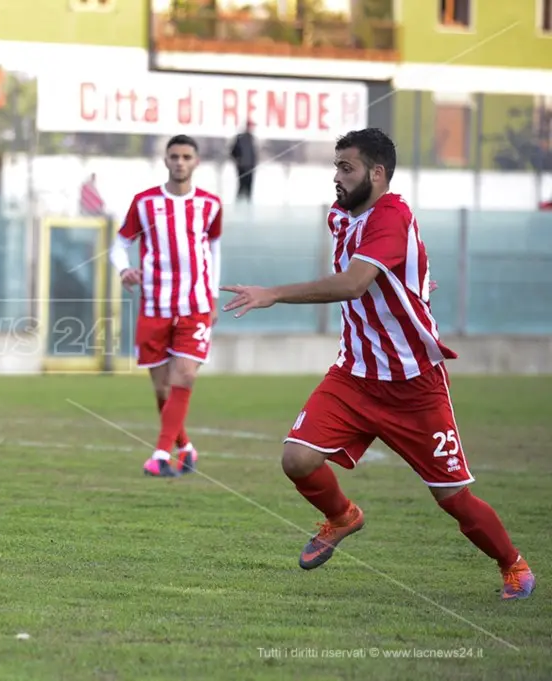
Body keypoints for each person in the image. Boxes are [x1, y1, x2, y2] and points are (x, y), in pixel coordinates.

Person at [221, 128, 535, 600]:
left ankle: (513, 565)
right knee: (297, 458)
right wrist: (421, 285)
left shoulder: (391, 215)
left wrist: (273, 294)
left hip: (414, 387)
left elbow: (353, 283)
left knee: (453, 499)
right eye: (335, 168)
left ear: (378, 172)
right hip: (354, 375)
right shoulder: (341, 216)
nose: (337, 178)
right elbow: (407, 269)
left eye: (346, 168)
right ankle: (343, 516)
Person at [110, 134, 221, 478]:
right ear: (166, 160)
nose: (180, 162)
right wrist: (123, 268)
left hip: (195, 305)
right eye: (174, 156)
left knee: (184, 376)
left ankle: (160, 455)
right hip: (155, 305)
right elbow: (119, 244)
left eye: (187, 156)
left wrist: (213, 295)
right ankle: (185, 447)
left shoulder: (210, 205)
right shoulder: (144, 203)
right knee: (162, 388)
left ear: (196, 161)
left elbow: (215, 249)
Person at [230, 122, 256, 202]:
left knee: (249, 188)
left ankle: (248, 206)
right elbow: (232, 151)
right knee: (241, 187)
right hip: (242, 167)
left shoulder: (252, 138)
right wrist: (238, 161)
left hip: (250, 167)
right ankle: (238, 205)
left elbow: (253, 153)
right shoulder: (240, 138)